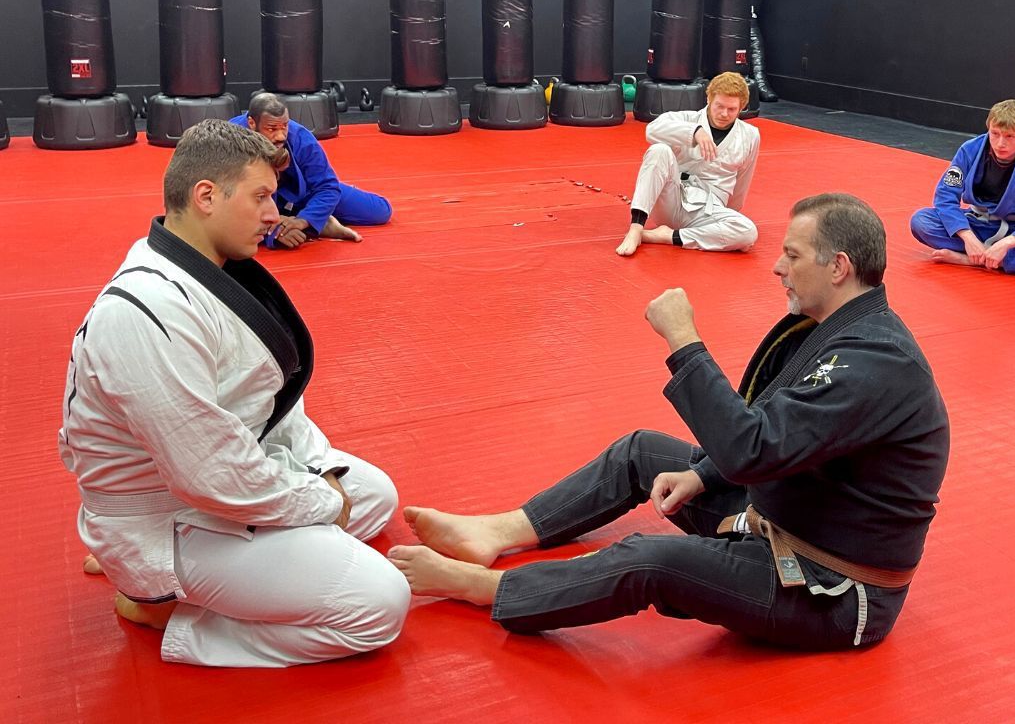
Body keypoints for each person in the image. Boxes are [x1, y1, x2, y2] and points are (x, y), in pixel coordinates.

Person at [390, 194, 950, 651]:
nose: (778, 265)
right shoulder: (837, 331)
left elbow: (752, 449)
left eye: (793, 254)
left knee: (650, 559)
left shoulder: (875, 362)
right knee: (643, 453)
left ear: (839, 266)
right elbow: (770, 429)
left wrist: (683, 340)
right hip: (784, 516)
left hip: (828, 589)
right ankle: (501, 530)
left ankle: (492, 588)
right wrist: (704, 476)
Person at [60, 119, 409, 667]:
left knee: (374, 494)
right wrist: (320, 501)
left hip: (213, 480)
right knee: (380, 603)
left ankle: (250, 565)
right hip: (172, 514)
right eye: (261, 197)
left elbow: (269, 407)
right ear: (206, 196)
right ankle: (163, 610)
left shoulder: (205, 269)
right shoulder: (146, 313)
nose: (274, 214)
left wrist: (320, 482)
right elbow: (211, 475)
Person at [910, 99, 1015, 274]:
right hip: (976, 225)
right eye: (995, 133)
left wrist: (1008, 242)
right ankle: (990, 255)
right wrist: (967, 237)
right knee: (921, 221)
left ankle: (973, 259)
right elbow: (945, 198)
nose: (1000, 143)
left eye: (1010, 136)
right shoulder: (969, 150)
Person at [616, 71, 759, 256]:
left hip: (708, 210)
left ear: (742, 107)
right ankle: (636, 228)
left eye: (732, 109)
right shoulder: (687, 119)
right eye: (719, 106)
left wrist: (726, 220)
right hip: (672, 199)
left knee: (748, 232)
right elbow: (651, 130)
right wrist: (695, 132)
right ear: (709, 99)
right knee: (659, 151)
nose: (724, 114)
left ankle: (665, 236)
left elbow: (743, 181)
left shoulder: (750, 135)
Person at [230, 93, 391, 249]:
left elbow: (327, 187)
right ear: (251, 123)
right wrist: (274, 231)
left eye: (284, 126)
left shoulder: (300, 137)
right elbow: (227, 203)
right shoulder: (231, 140)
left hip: (304, 194)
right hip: (255, 204)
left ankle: (315, 219)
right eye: (271, 129)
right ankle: (318, 224)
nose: (280, 136)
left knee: (381, 211)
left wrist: (304, 220)